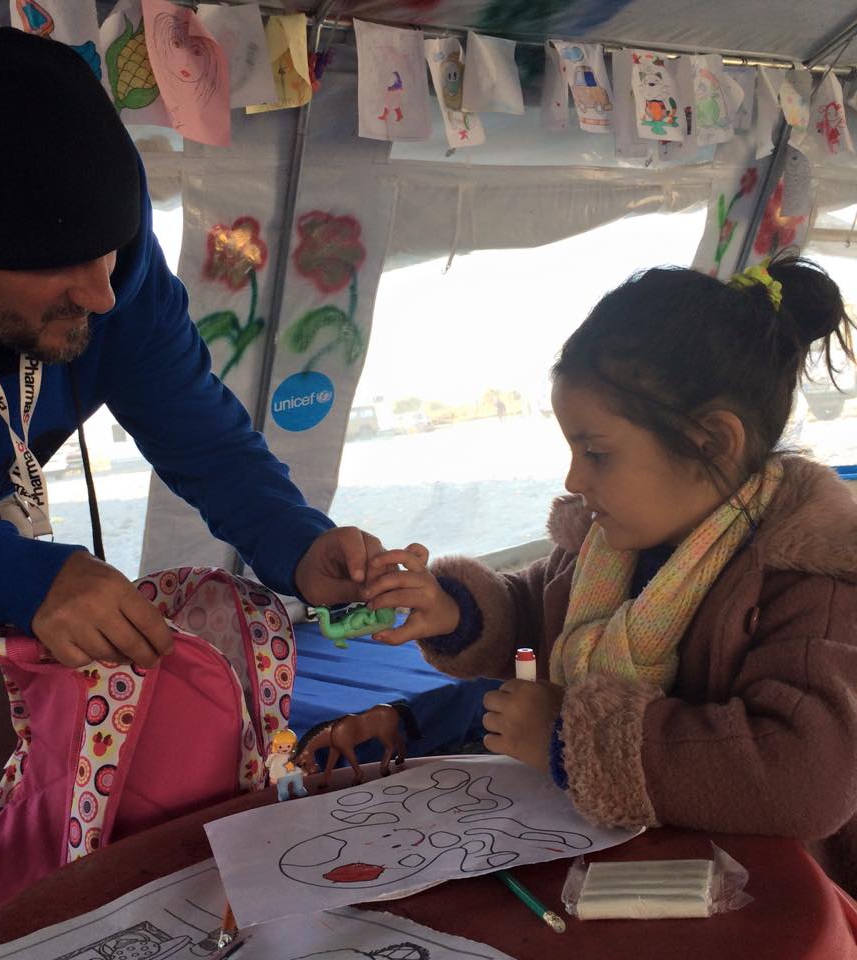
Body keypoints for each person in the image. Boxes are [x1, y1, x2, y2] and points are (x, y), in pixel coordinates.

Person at [0, 27, 382, 839]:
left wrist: (298, 545)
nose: (102, 296)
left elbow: (202, 433)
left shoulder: (113, 265)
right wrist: (9, 576)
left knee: (43, 793)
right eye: (62, 264)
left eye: (112, 253)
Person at [365, 255, 857, 892]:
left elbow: (804, 779)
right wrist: (455, 610)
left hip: (762, 903)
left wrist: (569, 737)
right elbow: (532, 611)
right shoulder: (600, 552)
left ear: (713, 441)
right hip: (628, 871)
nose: (573, 480)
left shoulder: (807, 586)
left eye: (596, 452)